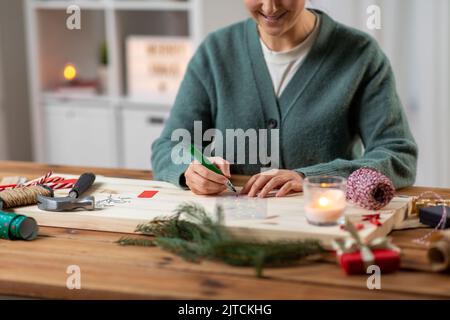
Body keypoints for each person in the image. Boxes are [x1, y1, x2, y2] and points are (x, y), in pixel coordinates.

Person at [151, 0, 418, 198]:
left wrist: (311, 177)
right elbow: (169, 146)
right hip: (234, 231)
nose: (270, 6)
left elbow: (398, 155)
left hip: (327, 225)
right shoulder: (215, 52)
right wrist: (191, 170)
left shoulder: (360, 55)